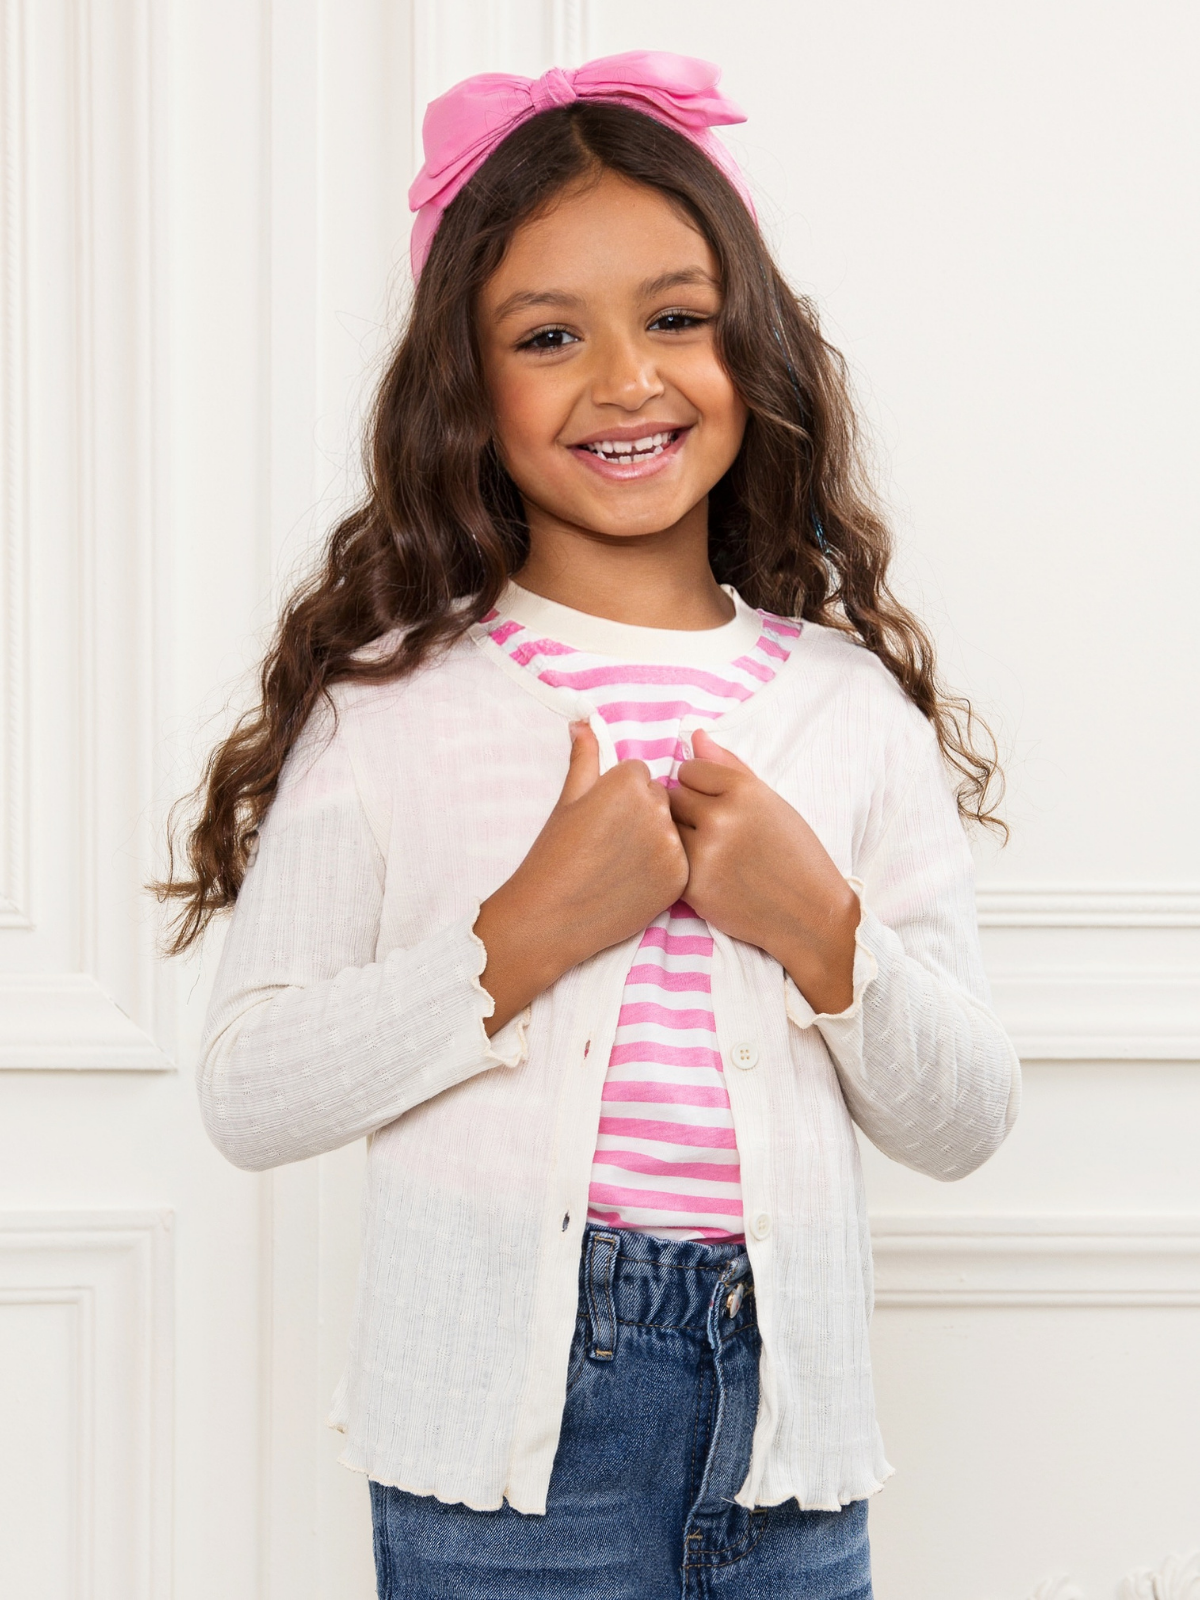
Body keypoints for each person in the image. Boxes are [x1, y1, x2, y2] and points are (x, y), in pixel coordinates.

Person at [160, 52, 1020, 1600]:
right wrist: (518, 941)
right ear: (465, 386)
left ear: (752, 345)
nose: (626, 378)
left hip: (790, 1438)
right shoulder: (395, 710)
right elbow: (247, 1088)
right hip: (503, 1454)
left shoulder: (846, 712)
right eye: (549, 335)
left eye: (677, 317)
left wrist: (821, 931)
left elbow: (964, 1120)